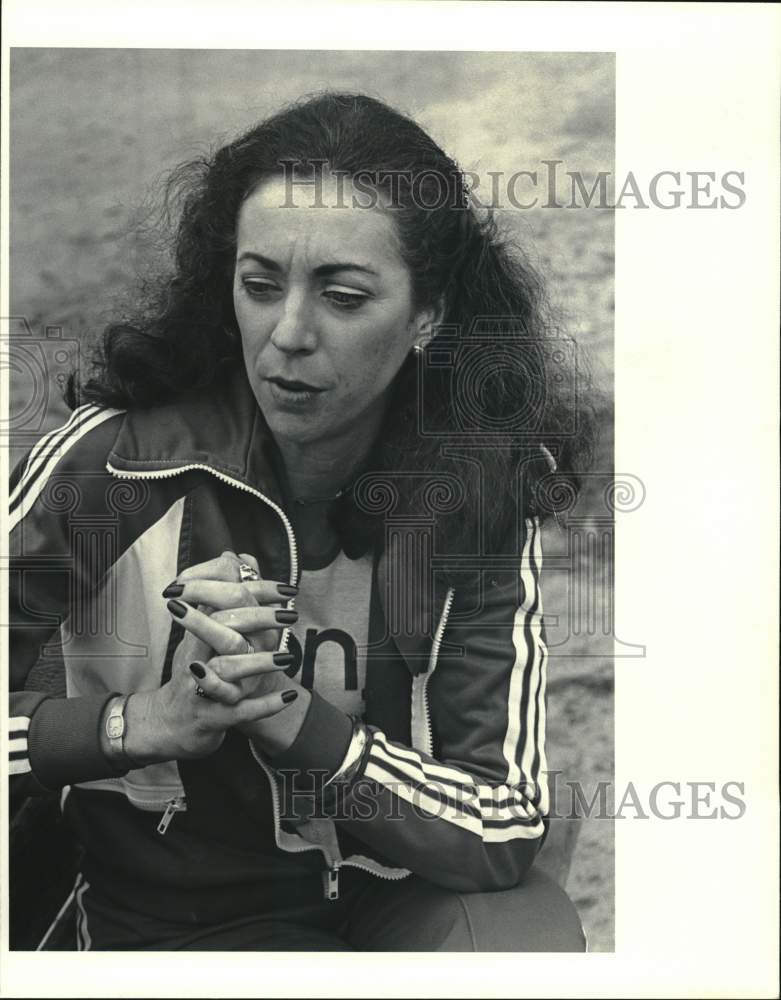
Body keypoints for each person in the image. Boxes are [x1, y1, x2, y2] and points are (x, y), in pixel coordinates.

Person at [9, 92, 595, 951]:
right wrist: (139, 722)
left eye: (344, 297)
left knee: (521, 935)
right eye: (258, 286)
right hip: (159, 917)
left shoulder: (475, 486)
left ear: (426, 315)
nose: (287, 334)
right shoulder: (115, 466)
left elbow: (503, 820)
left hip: (388, 900)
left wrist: (293, 719)